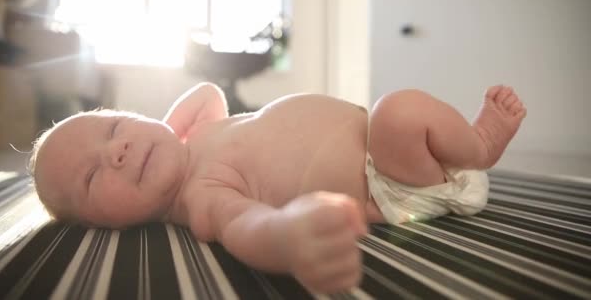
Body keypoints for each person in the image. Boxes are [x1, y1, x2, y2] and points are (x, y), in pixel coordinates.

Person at [30, 82, 526, 293]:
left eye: (116, 127)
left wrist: (162, 131)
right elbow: (245, 225)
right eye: (93, 177)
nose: (116, 151)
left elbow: (206, 93)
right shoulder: (200, 195)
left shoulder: (196, 138)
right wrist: (288, 235)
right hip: (395, 181)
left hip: (387, 145)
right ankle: (479, 146)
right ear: (100, 226)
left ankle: (468, 146)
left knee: (396, 110)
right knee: (399, 110)